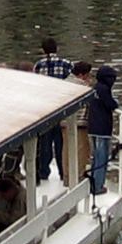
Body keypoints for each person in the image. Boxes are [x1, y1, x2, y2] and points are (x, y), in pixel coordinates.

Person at [33, 38, 74, 181]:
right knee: (60, 142)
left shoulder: (39, 65)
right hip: (62, 109)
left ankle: (44, 172)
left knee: (45, 142)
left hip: (45, 109)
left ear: (43, 50)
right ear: (57, 49)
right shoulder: (67, 64)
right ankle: (63, 172)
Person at [86, 66, 120, 196]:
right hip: (102, 129)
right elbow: (111, 104)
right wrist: (116, 103)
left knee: (95, 157)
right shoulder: (104, 90)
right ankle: (97, 186)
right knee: (102, 158)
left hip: (93, 127)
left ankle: (92, 183)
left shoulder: (95, 88)